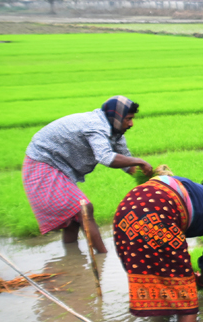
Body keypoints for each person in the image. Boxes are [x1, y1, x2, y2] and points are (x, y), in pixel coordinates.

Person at [23, 96, 153, 253]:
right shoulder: (96, 126)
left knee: (73, 221)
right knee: (84, 209)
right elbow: (105, 157)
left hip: (59, 167)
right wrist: (139, 161)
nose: (131, 124)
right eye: (128, 119)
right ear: (117, 117)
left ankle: (71, 259)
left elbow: (127, 164)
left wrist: (153, 180)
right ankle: (102, 256)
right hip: (43, 163)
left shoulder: (115, 131)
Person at [113, 168, 203, 322]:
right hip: (157, 213)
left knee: (155, 274)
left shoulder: (192, 190)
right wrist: (202, 280)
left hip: (124, 213)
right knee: (184, 286)